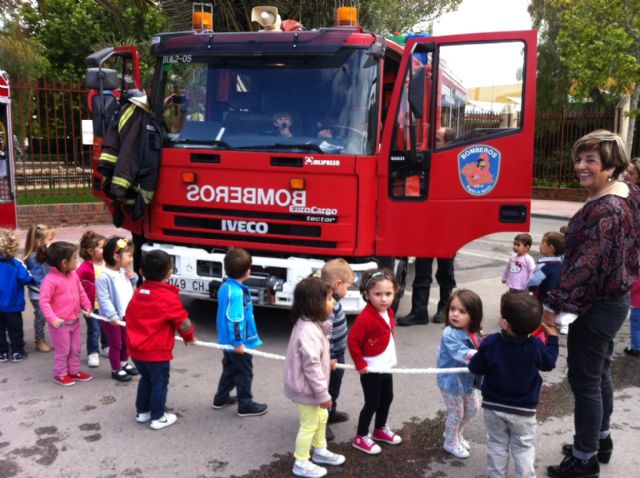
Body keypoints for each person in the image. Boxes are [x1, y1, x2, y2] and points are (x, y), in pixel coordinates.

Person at [543, 130, 640, 478]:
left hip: (597, 305)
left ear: (611, 166)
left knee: (585, 380)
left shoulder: (606, 208)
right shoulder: (627, 193)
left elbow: (584, 264)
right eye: (579, 158)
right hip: (613, 300)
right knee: (598, 375)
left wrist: (553, 305)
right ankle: (600, 441)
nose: (580, 166)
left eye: (591, 160)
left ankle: (584, 460)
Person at [469, 291, 559, 478]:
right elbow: (549, 363)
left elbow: (476, 367)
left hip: (493, 405)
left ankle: (496, 475)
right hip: (524, 409)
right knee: (523, 447)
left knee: (497, 443)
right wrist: (553, 338)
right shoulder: (535, 345)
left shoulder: (491, 342)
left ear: (504, 323)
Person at [125, 250, 197, 430]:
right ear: (170, 273)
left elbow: (129, 315)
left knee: (146, 379)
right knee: (160, 382)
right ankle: (157, 417)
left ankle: (143, 412)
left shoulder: (139, 292)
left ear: (141, 272)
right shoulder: (168, 297)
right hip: (156, 352)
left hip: (136, 350)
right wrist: (188, 336)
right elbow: (183, 321)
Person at [284, 277, 346, 478]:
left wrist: (327, 360)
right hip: (307, 389)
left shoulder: (312, 324)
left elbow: (315, 356)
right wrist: (323, 395)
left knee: (321, 417)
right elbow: (310, 366)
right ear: (314, 304)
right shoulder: (308, 330)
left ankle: (320, 451)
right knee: (309, 424)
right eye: (329, 299)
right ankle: (301, 462)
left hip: (311, 387)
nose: (334, 302)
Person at [398, 127, 456, 327]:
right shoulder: (429, 159)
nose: (433, 143)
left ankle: (444, 308)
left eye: (438, 139)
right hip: (427, 223)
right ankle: (419, 311)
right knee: (422, 268)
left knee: (445, 271)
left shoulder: (455, 163)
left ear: (448, 143)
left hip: (447, 225)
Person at [348, 268, 402, 455]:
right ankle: (361, 436)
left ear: (394, 293)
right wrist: (360, 363)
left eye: (388, 294)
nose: (384, 299)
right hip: (371, 368)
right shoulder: (365, 318)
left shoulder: (389, 312)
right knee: (372, 402)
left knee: (387, 398)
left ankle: (379, 429)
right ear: (367, 294)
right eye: (378, 294)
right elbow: (353, 341)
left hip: (385, 364)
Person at [212, 248, 268, 417]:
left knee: (229, 369)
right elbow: (235, 320)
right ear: (246, 271)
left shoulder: (225, 287)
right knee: (244, 372)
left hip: (226, 341)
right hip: (237, 344)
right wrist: (238, 343)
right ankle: (245, 404)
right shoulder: (236, 293)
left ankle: (220, 398)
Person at [436, 289, 483, 459]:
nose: (455, 314)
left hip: (467, 379)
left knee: (472, 408)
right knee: (456, 412)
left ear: (474, 315)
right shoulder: (450, 333)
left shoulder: (474, 331)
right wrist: (486, 356)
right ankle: (450, 441)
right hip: (451, 380)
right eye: (452, 309)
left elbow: (480, 345)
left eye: (462, 311)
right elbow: (461, 353)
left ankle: (455, 433)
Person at [39, 241, 93, 385]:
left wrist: (87, 305)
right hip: (60, 324)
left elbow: (81, 291)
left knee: (75, 348)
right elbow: (44, 302)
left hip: (74, 321)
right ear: (64, 263)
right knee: (63, 351)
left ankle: (74, 371)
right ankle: (60, 373)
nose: (77, 260)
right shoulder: (49, 281)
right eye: (74, 258)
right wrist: (52, 318)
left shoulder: (74, 275)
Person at [320, 258, 355, 441]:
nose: (347, 292)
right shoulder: (329, 305)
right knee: (327, 388)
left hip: (337, 354)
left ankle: (331, 412)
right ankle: (322, 422)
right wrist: (331, 356)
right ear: (338, 283)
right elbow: (326, 334)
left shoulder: (333, 299)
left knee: (335, 386)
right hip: (331, 357)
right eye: (347, 288)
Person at [96, 236, 139, 382]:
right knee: (116, 344)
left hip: (126, 314)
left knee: (127, 342)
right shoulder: (104, 277)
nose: (131, 259)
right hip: (112, 318)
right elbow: (104, 299)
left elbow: (135, 281)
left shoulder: (122, 271)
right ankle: (116, 369)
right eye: (129, 255)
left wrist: (131, 274)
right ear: (116, 257)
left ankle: (123, 363)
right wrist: (112, 315)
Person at [0, 228, 33, 363]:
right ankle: (17, 351)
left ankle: (2, 352)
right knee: (15, 329)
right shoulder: (15, 263)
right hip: (13, 304)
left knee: (0, 330)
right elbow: (26, 278)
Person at [76, 231, 108, 368]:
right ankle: (93, 352)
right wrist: (83, 305)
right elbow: (76, 286)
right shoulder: (84, 268)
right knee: (94, 330)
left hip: (107, 304)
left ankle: (106, 347)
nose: (105, 250)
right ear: (90, 251)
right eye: (101, 247)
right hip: (92, 306)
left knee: (107, 327)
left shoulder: (107, 263)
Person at [23, 224, 55, 353]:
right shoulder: (32, 258)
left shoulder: (44, 253)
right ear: (38, 241)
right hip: (38, 293)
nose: (50, 242)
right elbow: (37, 279)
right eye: (49, 239)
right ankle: (39, 340)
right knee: (41, 316)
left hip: (47, 291)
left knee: (47, 315)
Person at [527, 231, 565, 336]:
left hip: (543, 302)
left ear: (551, 248)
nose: (540, 245)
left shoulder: (544, 266)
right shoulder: (562, 265)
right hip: (557, 302)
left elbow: (532, 283)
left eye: (543, 242)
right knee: (550, 326)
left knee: (540, 325)